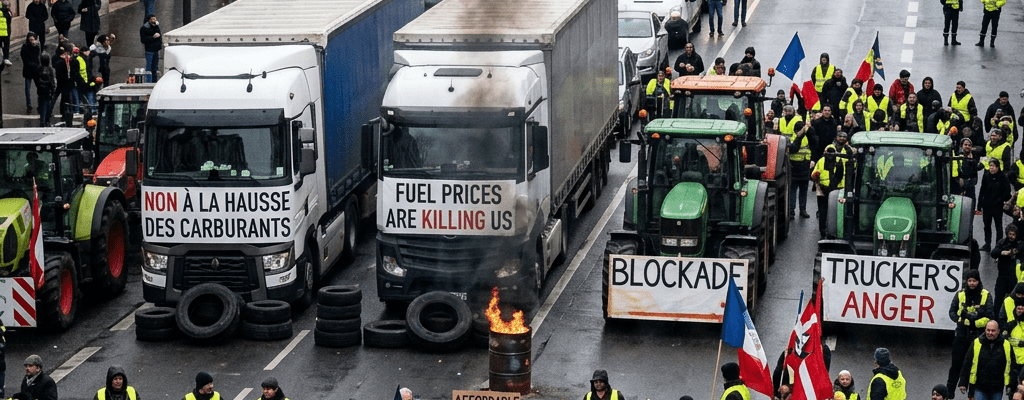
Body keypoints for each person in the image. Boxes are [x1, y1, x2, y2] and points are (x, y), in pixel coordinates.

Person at [947, 269, 994, 397]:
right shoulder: (960, 294)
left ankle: (972, 394)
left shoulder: (986, 295)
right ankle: (949, 393)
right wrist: (960, 319)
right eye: (970, 281)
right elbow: (952, 311)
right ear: (966, 281)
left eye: (974, 281)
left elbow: (990, 317)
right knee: (955, 365)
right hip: (961, 334)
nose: (972, 283)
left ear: (978, 281)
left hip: (978, 336)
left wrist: (974, 322)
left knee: (976, 366)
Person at [959, 320, 1014, 400]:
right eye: (988, 330)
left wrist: (1010, 385)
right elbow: (967, 363)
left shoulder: (1006, 345)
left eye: (993, 331)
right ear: (985, 330)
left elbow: (1012, 366)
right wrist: (963, 383)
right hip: (980, 387)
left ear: (998, 331)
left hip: (997, 388)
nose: (990, 333)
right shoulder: (977, 343)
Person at [782, 105, 814, 219]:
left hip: (803, 164)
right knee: (793, 189)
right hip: (792, 164)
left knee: (802, 189)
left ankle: (801, 209)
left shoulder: (805, 134)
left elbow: (813, 145)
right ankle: (792, 210)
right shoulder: (782, 122)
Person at [812, 146, 847, 236]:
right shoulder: (839, 160)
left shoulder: (824, 160)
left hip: (828, 189)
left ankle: (824, 230)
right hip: (831, 190)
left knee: (824, 210)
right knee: (834, 211)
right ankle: (827, 230)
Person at [979, 159, 1011, 251]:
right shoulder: (986, 176)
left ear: (997, 167)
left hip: (997, 206)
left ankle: (998, 245)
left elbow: (1007, 192)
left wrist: (1000, 200)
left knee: (998, 226)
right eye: (990, 166)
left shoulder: (1003, 178)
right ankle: (987, 244)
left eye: (993, 166)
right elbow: (982, 190)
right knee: (987, 225)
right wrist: (979, 204)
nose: (991, 168)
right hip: (987, 205)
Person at [991, 225, 1022, 302]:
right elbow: (993, 253)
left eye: (1013, 234)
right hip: (1002, 275)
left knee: (1013, 299)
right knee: (998, 298)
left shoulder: (1020, 244)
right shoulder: (1002, 242)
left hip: (1014, 277)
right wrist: (1001, 252)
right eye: (1010, 234)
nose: (1011, 236)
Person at [21, 33, 42, 113]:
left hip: (35, 70)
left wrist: (36, 46)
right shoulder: (25, 47)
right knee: (27, 89)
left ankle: (39, 104)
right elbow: (24, 57)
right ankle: (29, 105)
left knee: (39, 87)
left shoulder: (37, 47)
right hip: (29, 70)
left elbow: (38, 56)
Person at [140, 14, 162, 83]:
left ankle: (155, 81)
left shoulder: (156, 27)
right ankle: (148, 82)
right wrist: (153, 37)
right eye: (153, 19)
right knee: (149, 68)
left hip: (156, 50)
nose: (155, 20)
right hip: (149, 50)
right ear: (149, 20)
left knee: (155, 68)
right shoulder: (144, 28)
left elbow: (159, 36)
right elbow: (143, 40)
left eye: (155, 19)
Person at [35, 54, 55, 127]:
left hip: (40, 91)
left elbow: (36, 80)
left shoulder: (38, 69)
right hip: (48, 91)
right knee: (48, 106)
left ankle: (42, 121)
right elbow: (52, 81)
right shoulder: (49, 70)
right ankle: (47, 121)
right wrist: (52, 90)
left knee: (42, 105)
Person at [0, 0, 10, 65]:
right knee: (6, 46)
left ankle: (3, 58)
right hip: (5, 32)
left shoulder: (7, 12)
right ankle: (5, 58)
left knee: (2, 47)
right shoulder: (8, 13)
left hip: (4, 32)